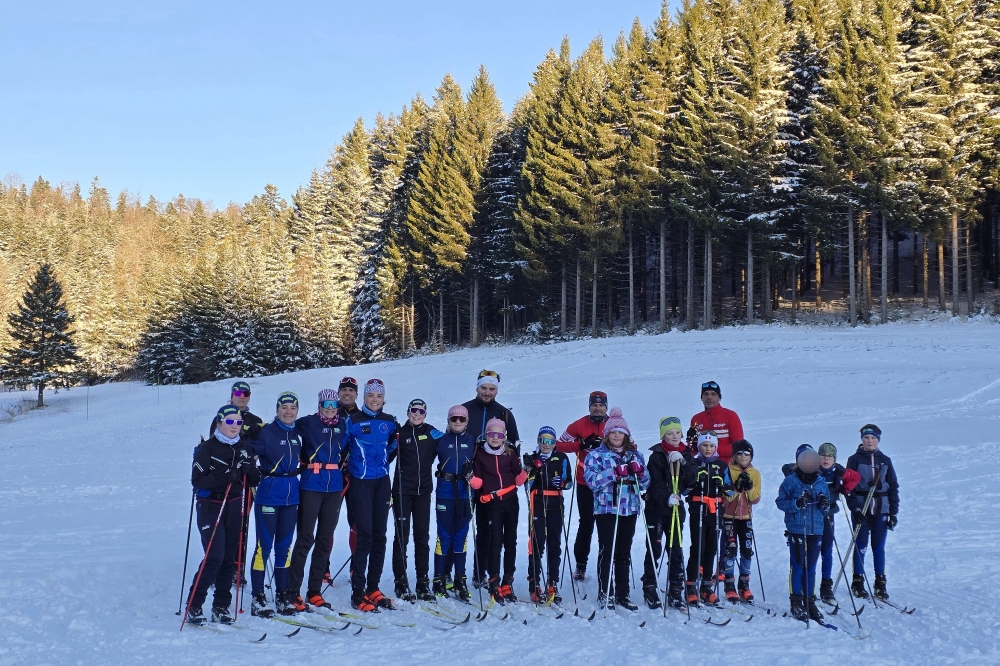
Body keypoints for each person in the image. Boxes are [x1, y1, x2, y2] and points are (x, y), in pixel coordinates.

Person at [185, 405, 260, 624]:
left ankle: (221, 606)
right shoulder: (207, 448)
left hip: (234, 505)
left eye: (238, 422)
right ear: (219, 423)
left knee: (229, 559)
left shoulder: (244, 448)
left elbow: (254, 480)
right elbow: (197, 481)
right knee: (214, 556)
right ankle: (194, 604)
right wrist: (228, 477)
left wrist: (250, 470)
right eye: (229, 422)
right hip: (211, 505)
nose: (234, 426)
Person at [583, 408, 649, 611]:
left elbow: (646, 483)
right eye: (613, 432)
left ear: (626, 435)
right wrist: (613, 473)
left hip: (629, 508)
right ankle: (605, 592)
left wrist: (639, 473)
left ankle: (623, 593)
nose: (617, 436)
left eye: (621, 432)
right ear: (607, 434)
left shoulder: (635, 455)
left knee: (624, 551)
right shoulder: (596, 455)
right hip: (607, 508)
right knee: (608, 550)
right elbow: (592, 481)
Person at [287, 389, 346, 611]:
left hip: (334, 486)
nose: (330, 409)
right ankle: (292, 590)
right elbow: (286, 426)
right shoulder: (308, 422)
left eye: (334, 405)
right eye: (326, 404)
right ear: (319, 405)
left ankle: (314, 591)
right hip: (311, 484)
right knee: (305, 538)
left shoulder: (343, 424)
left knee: (324, 539)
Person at [344, 378, 400, 612]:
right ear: (364, 397)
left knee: (380, 535)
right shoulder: (353, 420)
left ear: (383, 398)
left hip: (382, 482)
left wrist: (386, 460)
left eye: (378, 396)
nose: (374, 400)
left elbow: (394, 446)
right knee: (364, 535)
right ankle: (358, 591)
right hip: (360, 482)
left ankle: (373, 587)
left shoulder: (389, 421)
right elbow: (341, 447)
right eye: (370, 395)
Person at [463, 369, 519, 588]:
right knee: (465, 528)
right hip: (468, 477)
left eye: (492, 389)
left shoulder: (504, 414)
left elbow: (513, 448)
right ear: (477, 387)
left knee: (489, 530)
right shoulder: (466, 410)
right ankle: (454, 573)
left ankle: (483, 573)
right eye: (484, 388)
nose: (487, 392)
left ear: (497, 390)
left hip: (493, 484)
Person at [250, 392, 303, 617]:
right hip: (269, 494)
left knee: (284, 547)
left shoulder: (298, 433)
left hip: (291, 496)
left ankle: (282, 594)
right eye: (284, 407)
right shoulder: (267, 432)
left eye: (292, 408)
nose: (288, 412)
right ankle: (258, 597)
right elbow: (248, 452)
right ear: (277, 409)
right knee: (264, 547)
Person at [391, 398, 444, 602]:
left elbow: (449, 443)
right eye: (414, 410)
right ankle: (401, 582)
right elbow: (384, 454)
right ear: (408, 412)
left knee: (422, 537)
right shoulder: (399, 433)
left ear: (425, 414)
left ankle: (423, 582)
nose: (417, 414)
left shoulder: (431, 432)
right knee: (402, 537)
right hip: (402, 492)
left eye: (421, 411)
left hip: (423, 492)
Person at [469, 418, 526, 604]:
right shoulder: (480, 454)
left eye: (499, 434)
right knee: (495, 541)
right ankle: (493, 579)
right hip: (492, 503)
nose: (495, 438)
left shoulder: (510, 453)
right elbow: (478, 482)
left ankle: (508, 580)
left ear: (504, 436)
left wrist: (527, 469)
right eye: (491, 434)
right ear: (486, 435)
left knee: (510, 541)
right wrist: (470, 476)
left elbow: (518, 480)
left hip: (511, 502)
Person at [641, 416, 695, 609]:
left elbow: (692, 480)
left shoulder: (686, 454)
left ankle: (676, 590)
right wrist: (666, 497)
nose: (674, 436)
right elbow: (653, 483)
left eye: (677, 432)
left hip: (676, 509)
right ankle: (650, 587)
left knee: (675, 550)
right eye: (670, 433)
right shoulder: (656, 456)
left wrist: (684, 463)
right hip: (656, 509)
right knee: (654, 549)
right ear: (663, 436)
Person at [556, 390, 608, 582]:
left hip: (607, 484)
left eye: (601, 405)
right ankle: (580, 565)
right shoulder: (579, 424)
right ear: (589, 407)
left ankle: (606, 563)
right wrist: (580, 444)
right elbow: (558, 444)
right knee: (586, 523)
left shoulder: (613, 424)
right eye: (594, 405)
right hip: (584, 481)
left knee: (606, 524)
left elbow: (629, 445)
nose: (597, 408)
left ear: (606, 407)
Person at [775, 445, 831, 622]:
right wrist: (797, 503)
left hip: (816, 530)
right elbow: (780, 502)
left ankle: (809, 601)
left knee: (811, 568)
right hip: (798, 529)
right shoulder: (791, 481)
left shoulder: (821, 481)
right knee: (798, 566)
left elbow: (827, 505)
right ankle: (796, 601)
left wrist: (824, 504)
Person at [846, 424, 899, 601]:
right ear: (862, 439)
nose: (869, 441)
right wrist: (854, 507)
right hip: (862, 507)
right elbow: (849, 487)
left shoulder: (885, 460)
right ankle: (858, 582)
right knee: (860, 545)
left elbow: (893, 486)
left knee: (878, 546)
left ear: (878, 439)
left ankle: (880, 583)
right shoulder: (854, 459)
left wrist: (893, 512)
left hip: (881, 507)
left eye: (873, 438)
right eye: (866, 437)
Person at [524, 426, 573, 604]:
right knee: (537, 543)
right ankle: (534, 583)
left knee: (554, 543)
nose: (546, 444)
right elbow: (526, 485)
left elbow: (569, 482)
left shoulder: (561, 457)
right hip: (537, 501)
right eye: (543, 440)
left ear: (554, 443)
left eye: (550, 441)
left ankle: (552, 582)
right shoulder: (532, 458)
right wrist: (530, 469)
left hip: (555, 503)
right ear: (538, 441)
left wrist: (562, 483)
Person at [431, 405, 476, 601]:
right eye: (454, 418)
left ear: (466, 422)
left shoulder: (473, 441)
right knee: (444, 536)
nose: (458, 422)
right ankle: (439, 579)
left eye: (461, 419)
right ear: (448, 421)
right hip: (445, 493)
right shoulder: (440, 440)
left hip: (466, 494)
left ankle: (460, 579)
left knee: (460, 537)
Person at [684, 432, 734, 606]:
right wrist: (695, 481)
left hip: (715, 511)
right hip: (698, 509)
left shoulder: (721, 465)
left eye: (712, 446)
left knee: (711, 548)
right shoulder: (694, 463)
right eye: (705, 445)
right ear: (699, 446)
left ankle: (706, 585)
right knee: (698, 547)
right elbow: (684, 490)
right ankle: (691, 585)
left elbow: (730, 491)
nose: (708, 449)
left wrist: (722, 484)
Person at [815, 443, 860, 605]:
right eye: (823, 455)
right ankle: (808, 587)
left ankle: (826, 587)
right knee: (811, 552)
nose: (826, 459)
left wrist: (844, 489)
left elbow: (855, 477)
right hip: (813, 515)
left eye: (830, 456)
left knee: (827, 551)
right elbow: (789, 469)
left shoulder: (839, 471)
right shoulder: (811, 469)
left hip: (829, 515)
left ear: (834, 459)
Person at [721, 439, 761, 603]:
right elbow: (725, 498)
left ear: (751, 456)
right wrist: (737, 488)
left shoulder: (755, 473)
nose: (743, 456)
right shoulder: (728, 470)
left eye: (747, 453)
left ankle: (744, 584)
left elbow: (755, 499)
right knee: (730, 549)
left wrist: (749, 487)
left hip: (746, 518)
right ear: (734, 456)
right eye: (740, 453)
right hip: (729, 517)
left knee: (746, 550)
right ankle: (729, 584)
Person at [687, 381, 743, 464]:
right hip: (702, 467)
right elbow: (692, 448)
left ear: (719, 398)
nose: (709, 397)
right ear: (701, 398)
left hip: (726, 466)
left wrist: (711, 450)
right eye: (706, 394)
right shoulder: (696, 419)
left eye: (713, 394)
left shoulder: (730, 416)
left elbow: (739, 446)